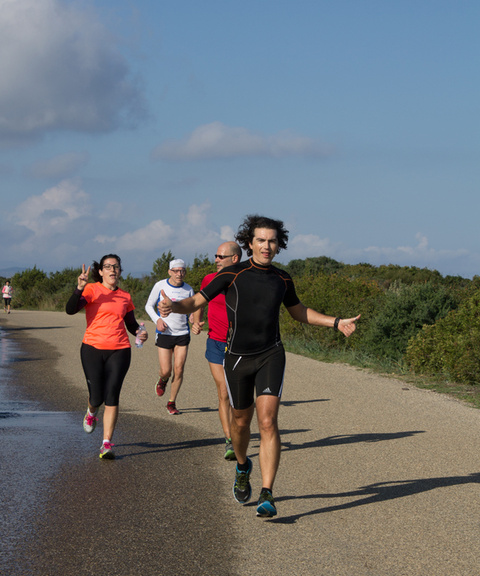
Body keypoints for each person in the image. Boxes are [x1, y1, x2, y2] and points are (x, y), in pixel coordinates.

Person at [158, 214, 360, 519]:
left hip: (271, 353)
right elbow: (194, 303)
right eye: (261, 240)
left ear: (279, 245)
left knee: (267, 422)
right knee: (241, 424)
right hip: (236, 357)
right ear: (249, 243)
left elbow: (298, 311)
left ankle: (267, 493)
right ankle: (242, 466)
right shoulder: (231, 274)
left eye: (273, 241)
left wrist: (334, 322)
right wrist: (173, 306)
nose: (267, 246)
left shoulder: (282, 279)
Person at [65, 253, 148, 459]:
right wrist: (79, 287)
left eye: (116, 266)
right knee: (97, 397)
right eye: (108, 266)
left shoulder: (125, 296)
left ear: (120, 271)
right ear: (100, 272)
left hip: (120, 350)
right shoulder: (92, 289)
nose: (113, 270)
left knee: (112, 395)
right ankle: (92, 412)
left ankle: (106, 444)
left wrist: (140, 332)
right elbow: (70, 310)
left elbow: (131, 324)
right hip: (92, 348)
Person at [191, 242, 242, 460]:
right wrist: (197, 320)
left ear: (235, 259)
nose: (216, 260)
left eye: (221, 256)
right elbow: (199, 302)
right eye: (216, 256)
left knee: (238, 397)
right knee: (223, 390)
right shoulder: (209, 279)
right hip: (215, 342)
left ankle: (239, 431)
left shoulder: (244, 280)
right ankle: (229, 440)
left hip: (240, 345)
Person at [145, 259, 194, 415]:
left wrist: (193, 316)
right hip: (165, 333)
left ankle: (171, 402)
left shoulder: (189, 290)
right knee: (166, 370)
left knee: (179, 369)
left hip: (182, 333)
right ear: (170, 272)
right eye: (176, 271)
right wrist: (158, 320)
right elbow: (148, 306)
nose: (179, 274)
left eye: (182, 271)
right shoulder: (160, 286)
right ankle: (163, 380)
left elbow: (194, 307)